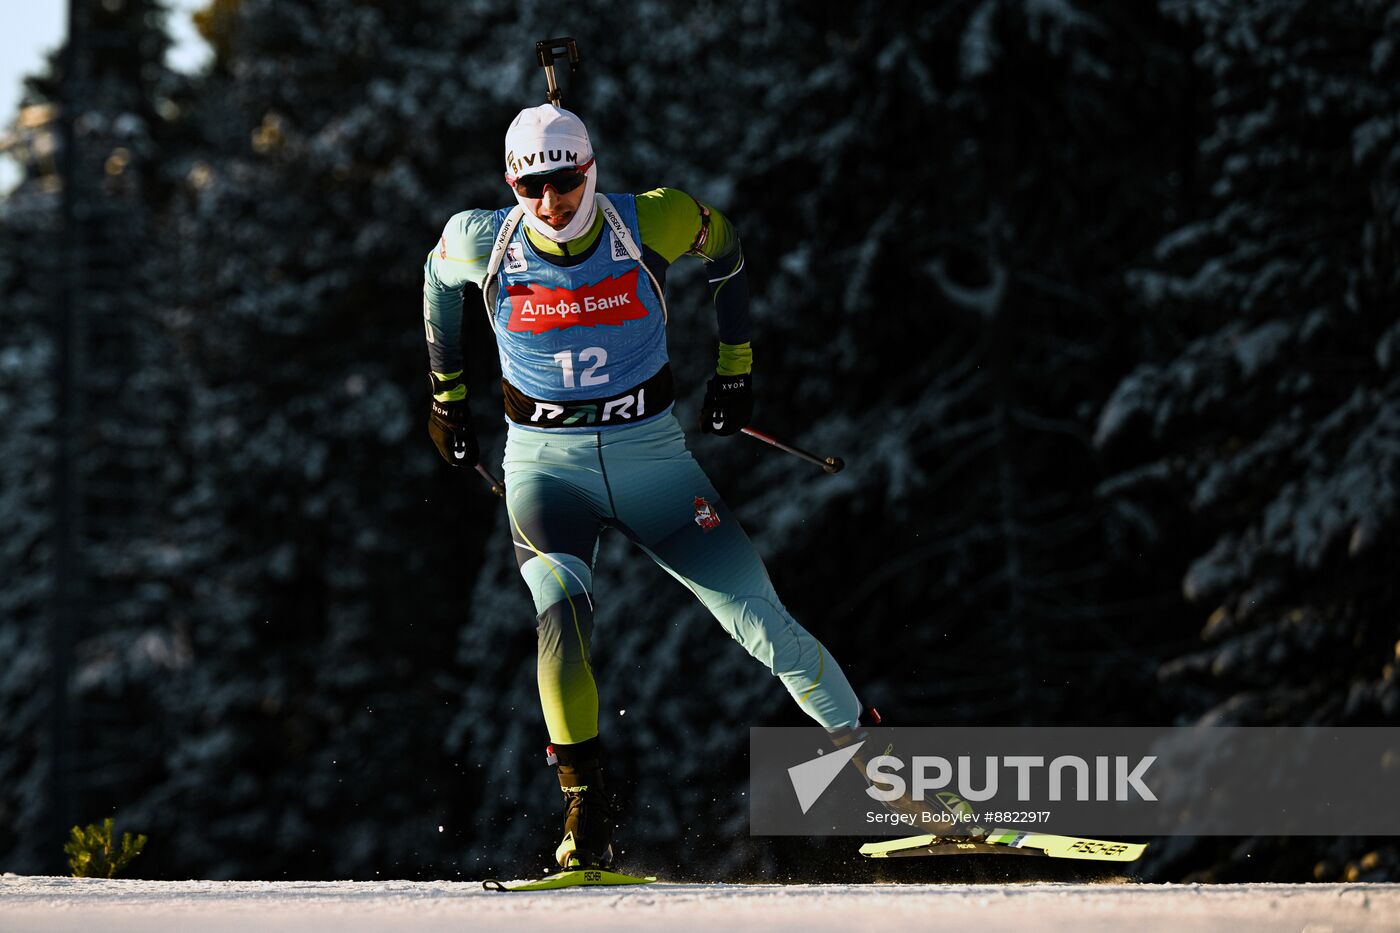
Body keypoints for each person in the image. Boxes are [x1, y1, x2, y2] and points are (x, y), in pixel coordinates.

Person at [421, 103, 866, 871]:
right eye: (530, 189)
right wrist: (445, 394)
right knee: (559, 618)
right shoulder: (481, 241)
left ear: (590, 170)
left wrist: (736, 367)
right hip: (543, 468)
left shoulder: (650, 220)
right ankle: (586, 813)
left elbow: (724, 246)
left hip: (651, 460)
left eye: (563, 183)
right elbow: (435, 276)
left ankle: (894, 778)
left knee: (762, 623)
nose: (549, 204)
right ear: (510, 185)